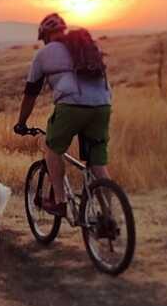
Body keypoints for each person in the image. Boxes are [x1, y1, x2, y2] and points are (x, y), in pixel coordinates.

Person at [13, 12, 112, 218]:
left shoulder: (44, 54)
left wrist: (21, 122)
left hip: (72, 105)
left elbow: (31, 94)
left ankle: (60, 201)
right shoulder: (86, 46)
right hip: (102, 105)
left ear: (45, 36)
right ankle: (108, 217)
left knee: (52, 148)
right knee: (97, 164)